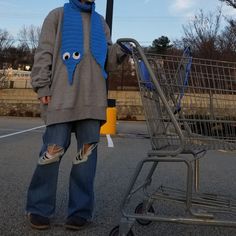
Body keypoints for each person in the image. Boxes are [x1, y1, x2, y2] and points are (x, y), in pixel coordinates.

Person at [26, 0, 126, 230]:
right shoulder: (57, 16)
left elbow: (107, 62)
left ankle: (80, 211)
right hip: (60, 97)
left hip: (92, 100)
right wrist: (42, 85)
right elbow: (44, 52)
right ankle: (39, 208)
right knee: (50, 156)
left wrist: (119, 52)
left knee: (85, 160)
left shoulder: (100, 22)